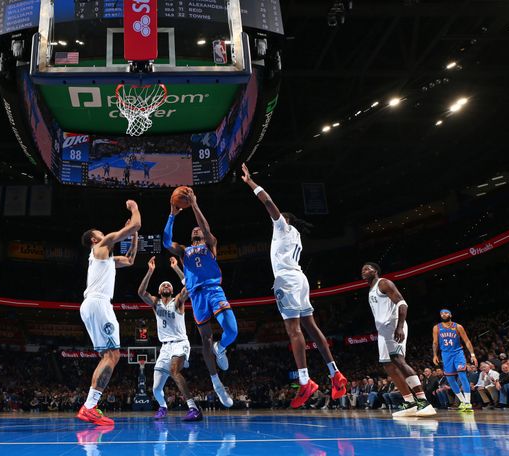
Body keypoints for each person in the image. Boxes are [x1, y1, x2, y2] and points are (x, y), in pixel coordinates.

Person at [240, 164, 348, 407]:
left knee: (294, 330)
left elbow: (268, 202)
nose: (273, 221)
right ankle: (335, 373)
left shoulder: (282, 227)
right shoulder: (296, 235)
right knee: (311, 326)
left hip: (287, 280)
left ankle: (304, 380)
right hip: (301, 279)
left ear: (283, 220)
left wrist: (250, 183)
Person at [163, 189, 235, 408]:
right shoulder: (184, 251)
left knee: (231, 331)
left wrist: (194, 204)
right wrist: (172, 214)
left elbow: (205, 227)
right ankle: (217, 384)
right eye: (193, 229)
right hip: (196, 297)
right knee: (204, 339)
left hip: (214, 290)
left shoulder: (210, 244)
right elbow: (166, 242)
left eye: (199, 229)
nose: (196, 230)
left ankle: (221, 347)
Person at [77, 199, 141, 426]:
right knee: (113, 355)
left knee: (109, 355)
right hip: (99, 303)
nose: (105, 234)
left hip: (92, 305)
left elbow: (131, 260)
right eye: (101, 233)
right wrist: (133, 208)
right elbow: (135, 225)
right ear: (95, 239)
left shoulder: (106, 259)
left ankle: (90, 406)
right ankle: (89, 406)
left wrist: (133, 237)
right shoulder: (100, 246)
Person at [361, 262, 435, 417]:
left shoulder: (384, 283)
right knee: (387, 365)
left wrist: (400, 326)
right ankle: (409, 402)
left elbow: (402, 303)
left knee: (399, 360)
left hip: (394, 326)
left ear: (376, 271)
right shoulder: (371, 289)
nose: (364, 271)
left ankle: (423, 401)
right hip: (382, 331)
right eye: (363, 270)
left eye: (368, 268)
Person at [137, 256, 201, 422]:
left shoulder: (178, 301)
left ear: (172, 291)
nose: (166, 285)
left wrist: (176, 268)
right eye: (163, 285)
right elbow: (141, 293)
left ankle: (194, 408)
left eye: (168, 285)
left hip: (180, 343)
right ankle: (163, 407)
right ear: (159, 291)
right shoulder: (155, 303)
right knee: (156, 388)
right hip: (165, 347)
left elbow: (190, 286)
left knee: (174, 371)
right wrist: (150, 271)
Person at [432, 309, 478, 412]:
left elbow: (467, 341)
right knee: (450, 380)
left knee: (462, 376)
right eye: (442, 313)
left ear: (451, 315)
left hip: (458, 353)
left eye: (446, 313)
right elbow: (435, 343)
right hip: (445, 355)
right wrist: (435, 355)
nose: (444, 314)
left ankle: (468, 402)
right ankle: (462, 402)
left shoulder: (458, 326)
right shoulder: (437, 327)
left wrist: (473, 355)